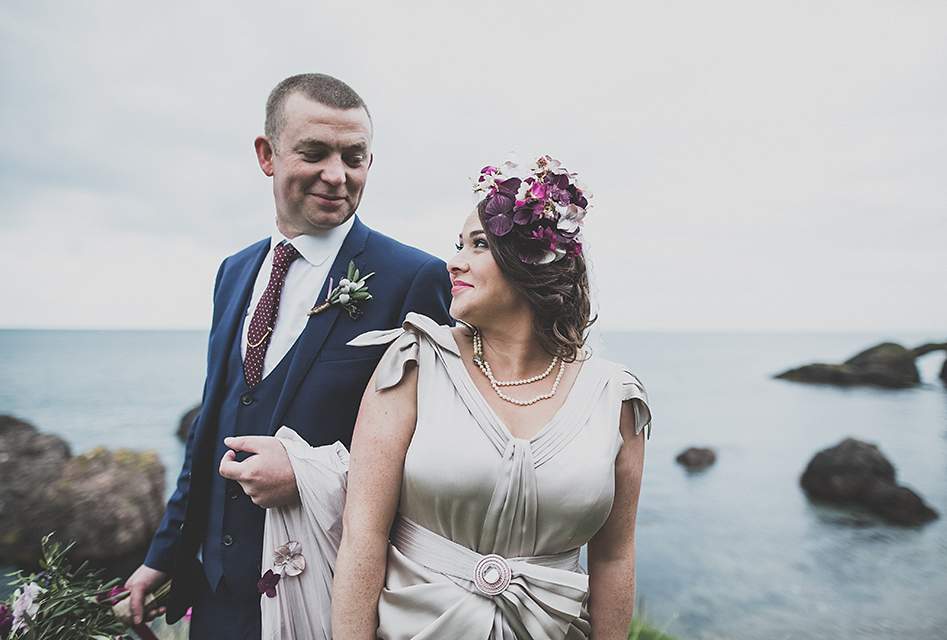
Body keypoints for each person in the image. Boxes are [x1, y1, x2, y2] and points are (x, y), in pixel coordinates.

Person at [123, 73, 452, 640]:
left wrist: (309, 474)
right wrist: (165, 553)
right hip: (217, 598)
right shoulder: (233, 272)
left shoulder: (412, 278)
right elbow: (211, 425)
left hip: (329, 598)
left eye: (355, 157)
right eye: (315, 153)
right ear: (266, 155)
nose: (337, 175)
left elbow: (437, 453)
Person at [331, 156, 651, 639]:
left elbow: (614, 556)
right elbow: (363, 537)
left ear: (535, 259)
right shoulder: (414, 364)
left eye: (478, 244)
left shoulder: (616, 399)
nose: (453, 261)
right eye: (458, 245)